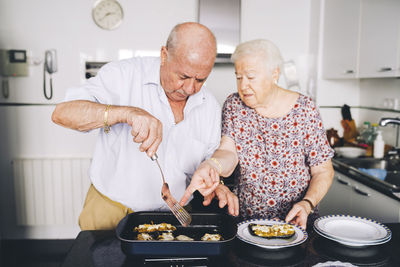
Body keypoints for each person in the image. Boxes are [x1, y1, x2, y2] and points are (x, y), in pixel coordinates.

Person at [52, 22, 237, 230]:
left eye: (200, 79)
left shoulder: (209, 106)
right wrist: (126, 113)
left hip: (173, 215)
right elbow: (62, 113)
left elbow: (210, 160)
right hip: (110, 208)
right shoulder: (123, 75)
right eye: (183, 77)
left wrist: (216, 183)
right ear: (164, 55)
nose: (190, 88)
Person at [181, 39, 334, 229]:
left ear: (274, 73)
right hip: (246, 223)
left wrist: (307, 203)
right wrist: (212, 165)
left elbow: (323, 170)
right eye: (238, 77)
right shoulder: (234, 105)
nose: (243, 85)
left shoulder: (305, 109)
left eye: (251, 77)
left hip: (297, 222)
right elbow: (228, 152)